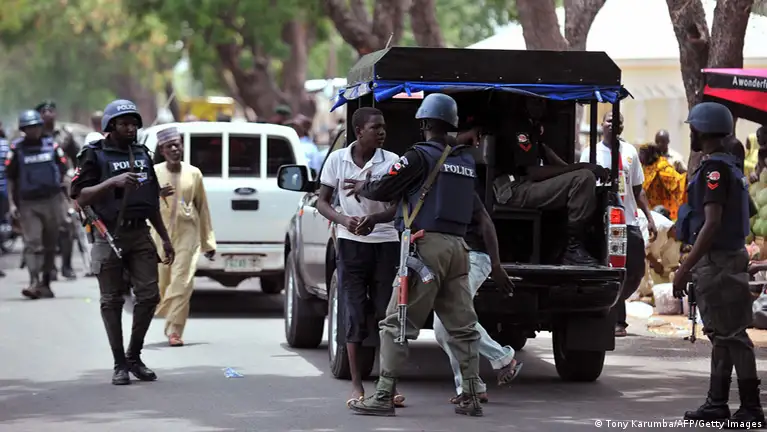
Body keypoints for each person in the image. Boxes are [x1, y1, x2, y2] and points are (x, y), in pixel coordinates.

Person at [344, 93, 485, 417]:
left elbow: (384, 188)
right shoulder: (465, 161)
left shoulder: (419, 156)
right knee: (463, 326)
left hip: (425, 250)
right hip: (459, 249)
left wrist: (364, 187)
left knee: (395, 323)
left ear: (424, 123)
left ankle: (383, 395)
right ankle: (471, 396)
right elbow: (476, 211)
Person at [70, 99, 175, 385]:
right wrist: (112, 183)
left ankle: (134, 356)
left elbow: (151, 201)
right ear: (110, 125)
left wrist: (165, 239)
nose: (130, 128)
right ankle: (119, 364)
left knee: (149, 296)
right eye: (124, 123)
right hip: (108, 234)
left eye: (133, 123)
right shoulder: (94, 154)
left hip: (140, 233)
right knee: (111, 300)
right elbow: (79, 196)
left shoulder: (141, 153)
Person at [673, 102, 765, 426]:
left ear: (703, 130)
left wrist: (684, 269)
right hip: (726, 258)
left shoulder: (715, 170)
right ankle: (717, 402)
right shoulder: (730, 168)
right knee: (722, 335)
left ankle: (751, 408)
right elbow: (746, 215)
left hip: (718, 262)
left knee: (733, 336)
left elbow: (712, 223)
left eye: (693, 128)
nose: (691, 134)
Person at [316, 107, 405, 407]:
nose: (382, 132)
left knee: (386, 314)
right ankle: (356, 386)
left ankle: (388, 385)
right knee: (353, 313)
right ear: (359, 131)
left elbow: (397, 207)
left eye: (383, 127)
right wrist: (344, 220)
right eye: (375, 127)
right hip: (350, 244)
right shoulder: (337, 160)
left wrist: (375, 219)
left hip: (385, 242)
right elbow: (322, 202)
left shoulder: (392, 161)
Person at [434, 130, 521, 402]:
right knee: (444, 327)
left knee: (448, 322)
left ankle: (497, 363)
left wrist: (496, 265)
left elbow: (485, 222)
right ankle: (474, 384)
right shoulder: (432, 180)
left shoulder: (459, 181)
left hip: (474, 256)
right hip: (451, 255)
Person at [493, 97, 609, 265]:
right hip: (513, 189)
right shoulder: (519, 127)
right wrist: (584, 168)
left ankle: (563, 248)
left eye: (543, 102)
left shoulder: (532, 128)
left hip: (524, 185)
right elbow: (533, 172)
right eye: (536, 102)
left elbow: (561, 166)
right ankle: (572, 250)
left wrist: (585, 168)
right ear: (525, 102)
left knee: (583, 176)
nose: (542, 107)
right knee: (584, 179)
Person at [580, 112, 656, 337]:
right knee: (610, 269)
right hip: (600, 221)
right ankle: (615, 320)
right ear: (602, 124)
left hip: (628, 220)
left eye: (618, 121)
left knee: (635, 269)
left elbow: (637, 189)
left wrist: (649, 218)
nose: (614, 125)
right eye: (609, 121)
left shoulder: (630, 152)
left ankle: (613, 305)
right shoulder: (591, 153)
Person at [152, 127, 216, 347]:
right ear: (162, 150)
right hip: (159, 235)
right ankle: (165, 311)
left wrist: (208, 242)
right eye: (169, 146)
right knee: (163, 283)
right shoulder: (154, 173)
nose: (174, 149)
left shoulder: (194, 173)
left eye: (177, 145)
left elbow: (202, 207)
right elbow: (141, 202)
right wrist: (156, 193)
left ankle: (175, 331)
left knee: (183, 280)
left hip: (187, 234)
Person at [4, 110, 68, 298]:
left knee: (50, 244)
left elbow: (63, 171)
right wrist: (12, 204)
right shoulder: (16, 149)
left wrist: (66, 200)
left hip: (52, 201)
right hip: (28, 204)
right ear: (23, 129)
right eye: (29, 128)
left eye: (35, 127)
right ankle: (33, 281)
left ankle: (45, 282)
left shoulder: (52, 146)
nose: (33, 131)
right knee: (33, 243)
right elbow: (10, 178)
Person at [37, 100, 78, 281]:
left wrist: (76, 176)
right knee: (44, 229)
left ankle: (66, 266)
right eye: (43, 111)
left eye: (51, 110)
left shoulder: (65, 134)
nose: (47, 114)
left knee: (67, 225)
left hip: (62, 186)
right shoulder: (32, 134)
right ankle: (49, 268)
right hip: (39, 188)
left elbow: (77, 157)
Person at [639, 143, 686, 220]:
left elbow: (677, 182)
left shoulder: (662, 167)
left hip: (663, 210)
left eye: (642, 153)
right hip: (649, 209)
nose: (639, 156)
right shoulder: (644, 168)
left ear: (649, 154)